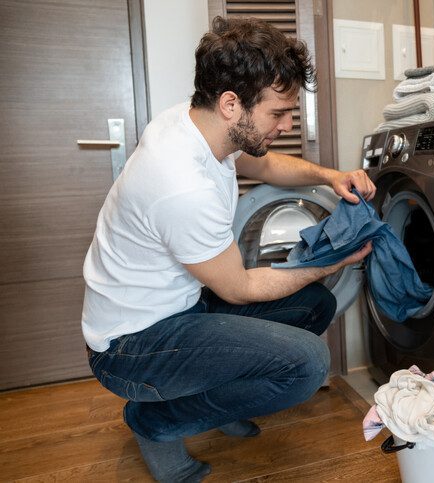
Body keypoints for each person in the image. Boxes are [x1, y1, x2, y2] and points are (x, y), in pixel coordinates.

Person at [81, 16, 375, 482]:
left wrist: (329, 176)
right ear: (231, 104)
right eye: (277, 113)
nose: (287, 123)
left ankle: (209, 399)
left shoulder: (198, 124)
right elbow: (240, 288)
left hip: (180, 306)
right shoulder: (180, 182)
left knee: (313, 306)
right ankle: (156, 420)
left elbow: (266, 164)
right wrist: (334, 261)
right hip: (130, 344)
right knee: (307, 365)